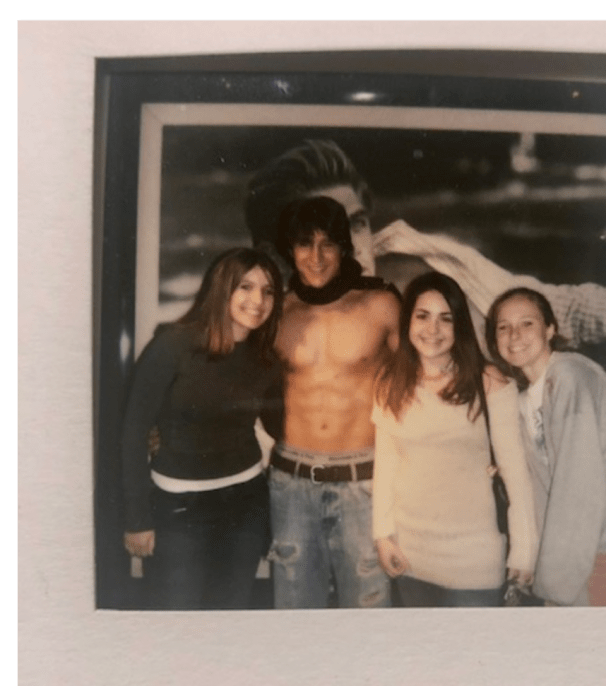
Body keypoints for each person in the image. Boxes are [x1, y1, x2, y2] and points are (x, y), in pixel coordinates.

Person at [245, 139, 606, 350]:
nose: (351, 249)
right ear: (275, 256)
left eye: (357, 225)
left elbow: (564, 313)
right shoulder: (262, 340)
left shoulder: (433, 300)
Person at [121, 248, 284, 609]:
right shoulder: (171, 347)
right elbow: (133, 433)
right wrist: (137, 518)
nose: (258, 300)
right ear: (222, 288)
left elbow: (281, 426)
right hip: (180, 509)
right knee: (177, 619)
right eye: (245, 286)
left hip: (246, 504)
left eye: (268, 290)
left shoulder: (266, 359)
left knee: (230, 613)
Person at [372, 272, 538, 607]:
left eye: (445, 319)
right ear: (407, 322)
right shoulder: (391, 381)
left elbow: (516, 475)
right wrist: (382, 536)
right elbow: (386, 464)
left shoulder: (489, 382)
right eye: (422, 316)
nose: (432, 330)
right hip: (410, 553)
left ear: (459, 326)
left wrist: (524, 552)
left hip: (474, 558)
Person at [267, 196, 400, 608]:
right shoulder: (276, 310)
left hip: (364, 481)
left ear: (345, 247)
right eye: (305, 244)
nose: (317, 256)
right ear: (290, 249)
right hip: (291, 484)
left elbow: (422, 377)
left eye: (328, 243)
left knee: (368, 610)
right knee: (294, 611)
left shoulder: (380, 304)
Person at [485, 288, 606, 607]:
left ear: (550, 329)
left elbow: (579, 487)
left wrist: (552, 585)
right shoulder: (527, 399)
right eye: (503, 327)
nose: (515, 335)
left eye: (527, 323)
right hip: (575, 556)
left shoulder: (570, 377)